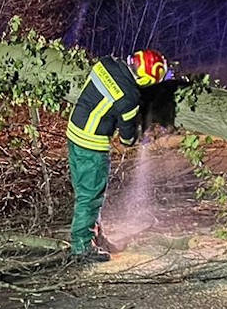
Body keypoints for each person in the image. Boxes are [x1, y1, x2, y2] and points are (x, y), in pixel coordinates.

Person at [66, 48, 168, 262]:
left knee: (84, 192)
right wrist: (135, 135)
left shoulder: (105, 63)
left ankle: (94, 237)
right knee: (90, 197)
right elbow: (127, 137)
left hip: (74, 132)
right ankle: (82, 247)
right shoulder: (129, 98)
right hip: (91, 145)